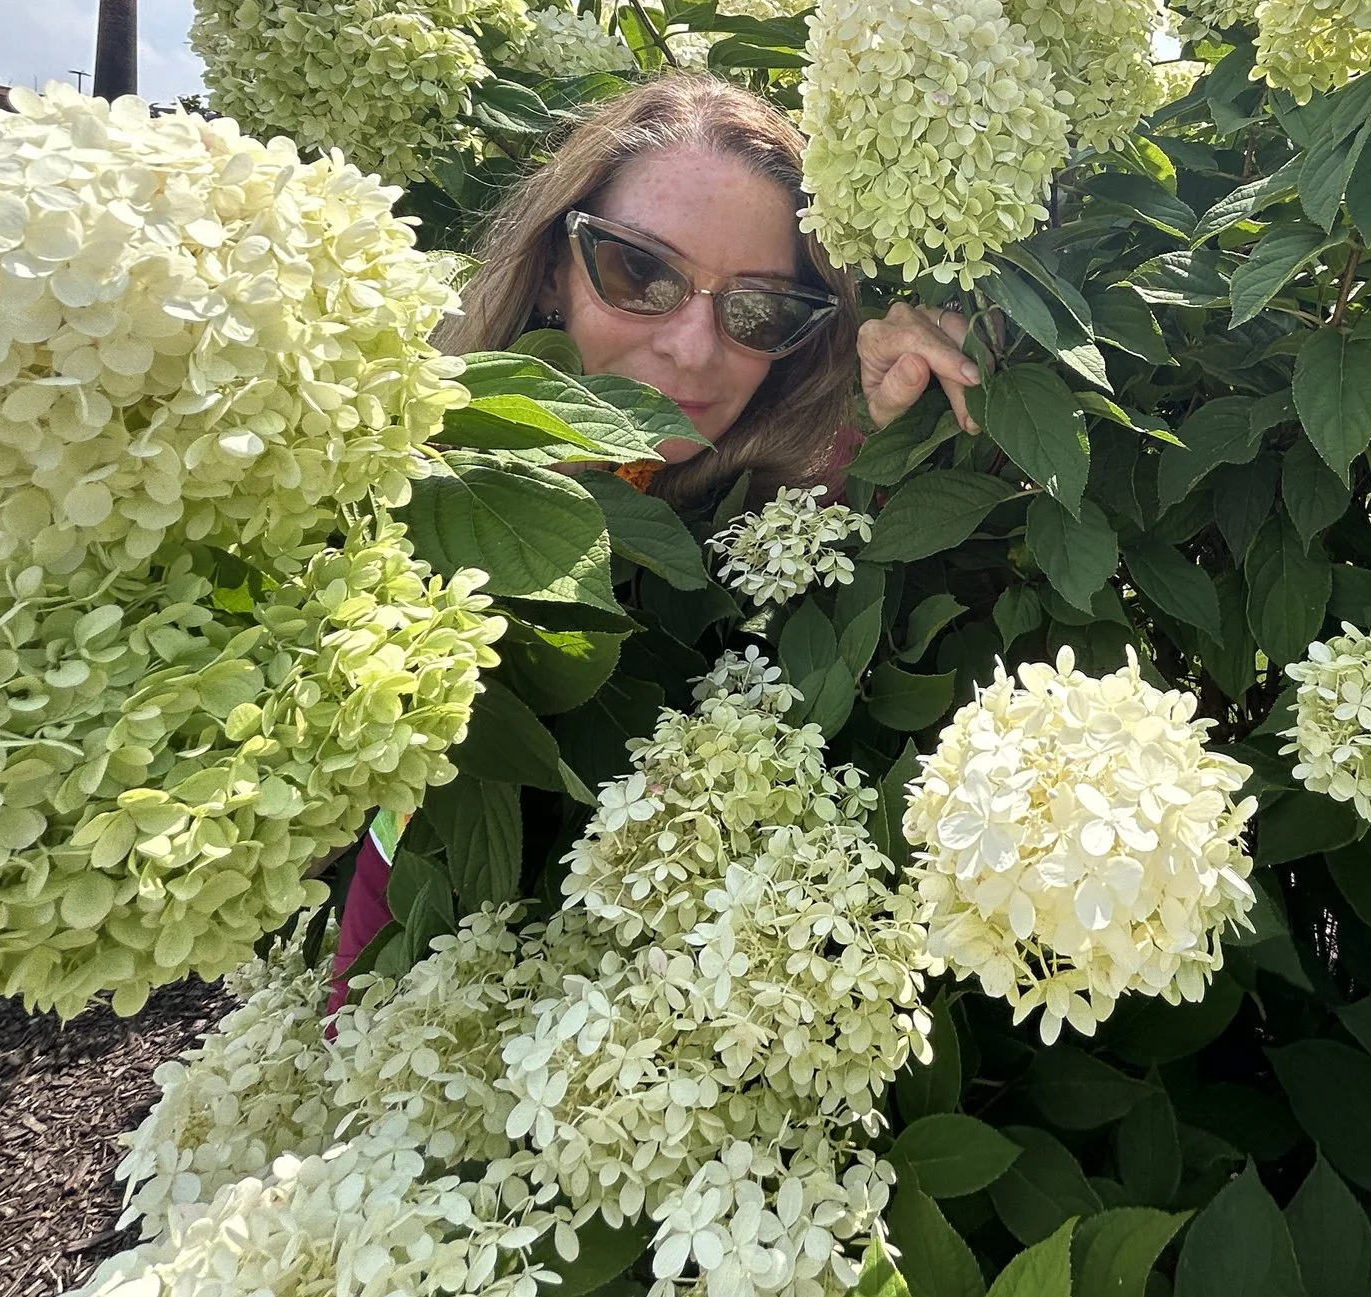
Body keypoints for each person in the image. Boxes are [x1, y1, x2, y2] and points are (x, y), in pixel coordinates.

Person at [329, 72, 974, 1003]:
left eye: (759, 309)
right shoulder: (405, 469)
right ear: (555, 264)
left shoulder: (789, 490)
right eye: (640, 271)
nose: (693, 348)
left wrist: (910, 397)